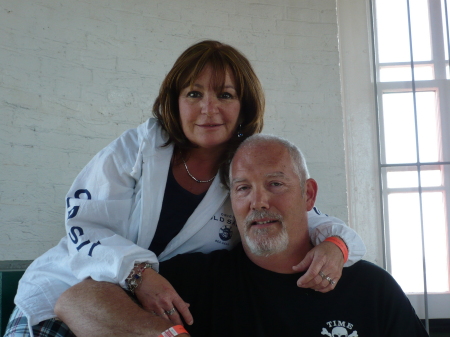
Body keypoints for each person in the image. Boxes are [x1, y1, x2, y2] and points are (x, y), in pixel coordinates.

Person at [6, 41, 366, 337]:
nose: (208, 109)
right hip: (67, 297)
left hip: (143, 323)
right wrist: (139, 274)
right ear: (175, 103)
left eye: (225, 95)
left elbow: (295, 214)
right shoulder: (136, 150)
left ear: (244, 107)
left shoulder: (245, 172)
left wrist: (337, 244)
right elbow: (84, 223)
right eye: (194, 94)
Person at [53, 134, 428, 337]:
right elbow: (75, 302)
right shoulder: (199, 282)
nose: (258, 201)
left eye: (275, 184)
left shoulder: (371, 290)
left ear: (308, 194)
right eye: (243, 188)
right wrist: (164, 335)